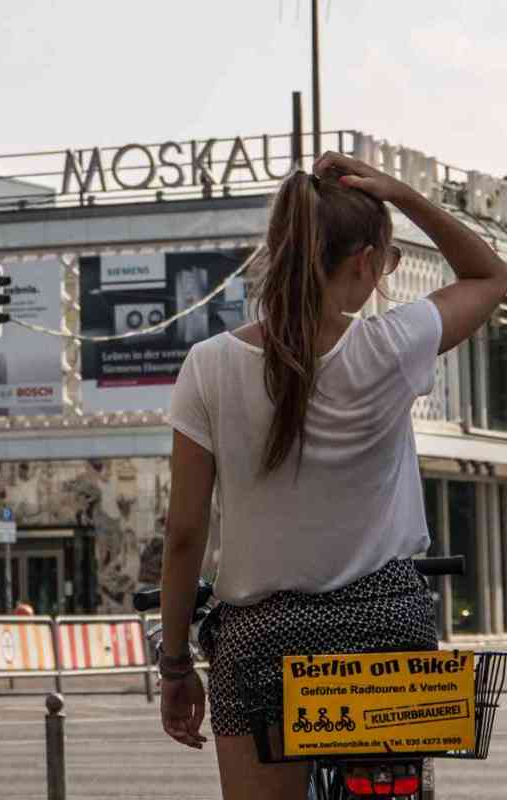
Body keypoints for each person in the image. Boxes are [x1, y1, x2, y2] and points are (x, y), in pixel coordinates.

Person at [159, 151, 507, 799]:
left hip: (263, 638)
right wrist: (400, 193)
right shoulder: (392, 343)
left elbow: (183, 533)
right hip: (386, 630)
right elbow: (490, 274)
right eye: (389, 261)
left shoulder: (207, 367)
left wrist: (176, 663)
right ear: (363, 264)